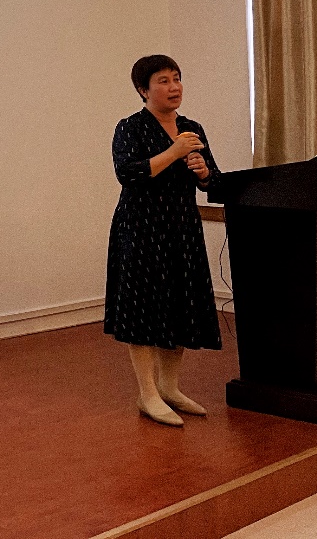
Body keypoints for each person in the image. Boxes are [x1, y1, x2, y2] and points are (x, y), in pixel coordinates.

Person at [104, 54, 222, 427]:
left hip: (182, 226)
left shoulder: (191, 128)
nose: (174, 87)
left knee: (180, 303)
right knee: (143, 308)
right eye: (163, 81)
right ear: (143, 90)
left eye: (177, 78)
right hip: (141, 227)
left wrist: (203, 173)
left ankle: (170, 387)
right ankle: (148, 393)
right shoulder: (130, 127)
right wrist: (174, 153)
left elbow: (215, 183)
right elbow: (129, 173)